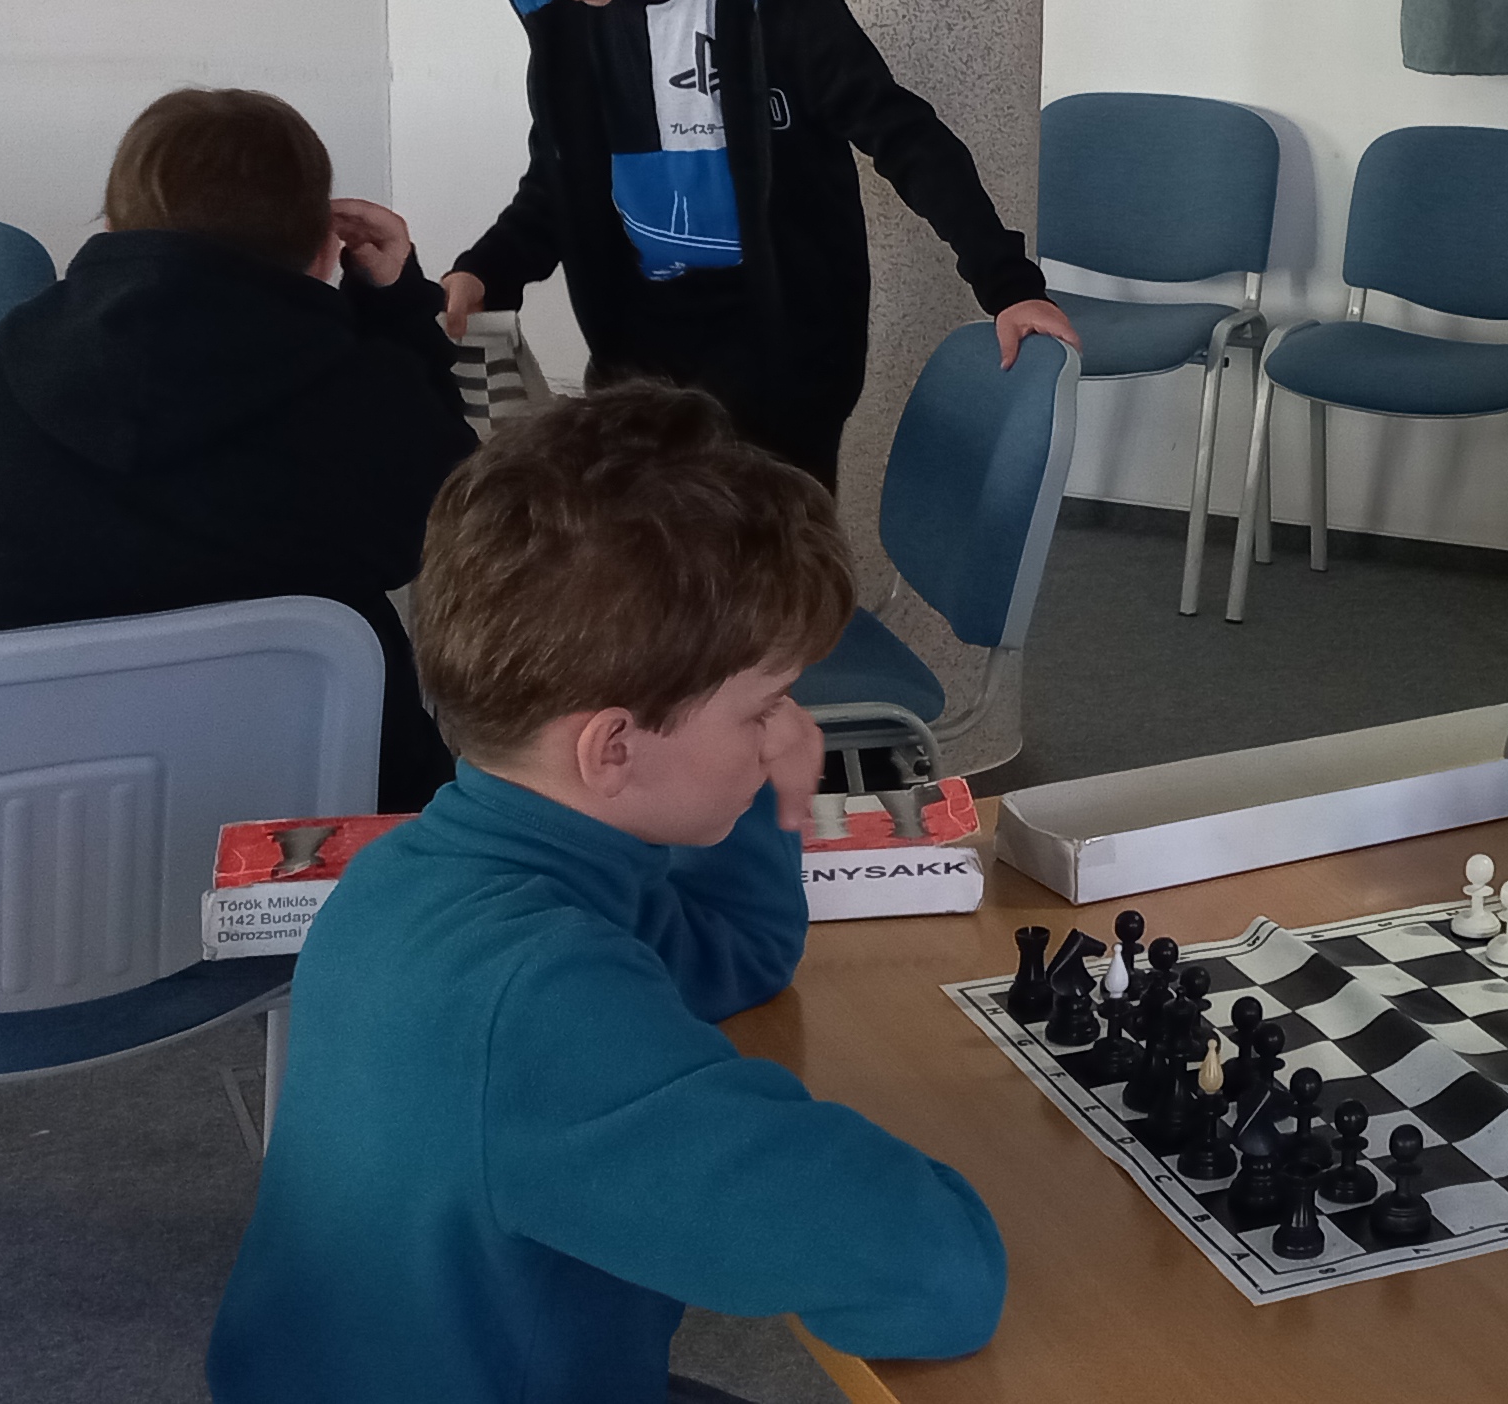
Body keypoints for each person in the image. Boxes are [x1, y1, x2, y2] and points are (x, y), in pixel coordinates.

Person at [209, 382, 1003, 1404]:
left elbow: (727, 956)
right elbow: (935, 1275)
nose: (790, 733)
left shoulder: (425, 873)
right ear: (613, 747)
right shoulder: (544, 1002)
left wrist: (764, 799)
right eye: (764, 707)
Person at [0, 88, 481, 810]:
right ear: (327, 251)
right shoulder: (359, 384)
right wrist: (397, 311)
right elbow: (453, 526)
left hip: (54, 813)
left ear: (113, 229)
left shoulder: (5, 366)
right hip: (328, 815)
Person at [436, 0, 1072, 487]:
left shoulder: (780, 0)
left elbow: (907, 139)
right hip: (635, 360)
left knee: (772, 548)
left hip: (783, 361)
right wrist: (487, 270)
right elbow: (557, 185)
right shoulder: (569, 24)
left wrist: (1009, 285)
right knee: (637, 544)